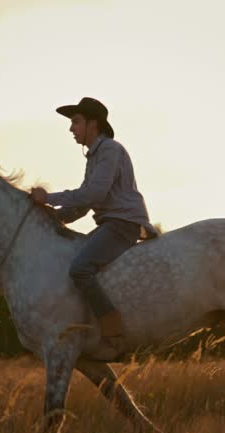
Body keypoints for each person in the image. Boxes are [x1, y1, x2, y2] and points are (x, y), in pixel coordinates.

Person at [30, 97, 158, 352]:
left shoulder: (110, 150)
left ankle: (113, 329)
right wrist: (53, 218)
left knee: (80, 268)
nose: (71, 128)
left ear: (93, 124)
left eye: (76, 122)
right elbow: (84, 204)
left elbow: (93, 195)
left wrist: (49, 199)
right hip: (111, 224)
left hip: (122, 224)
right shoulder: (95, 156)